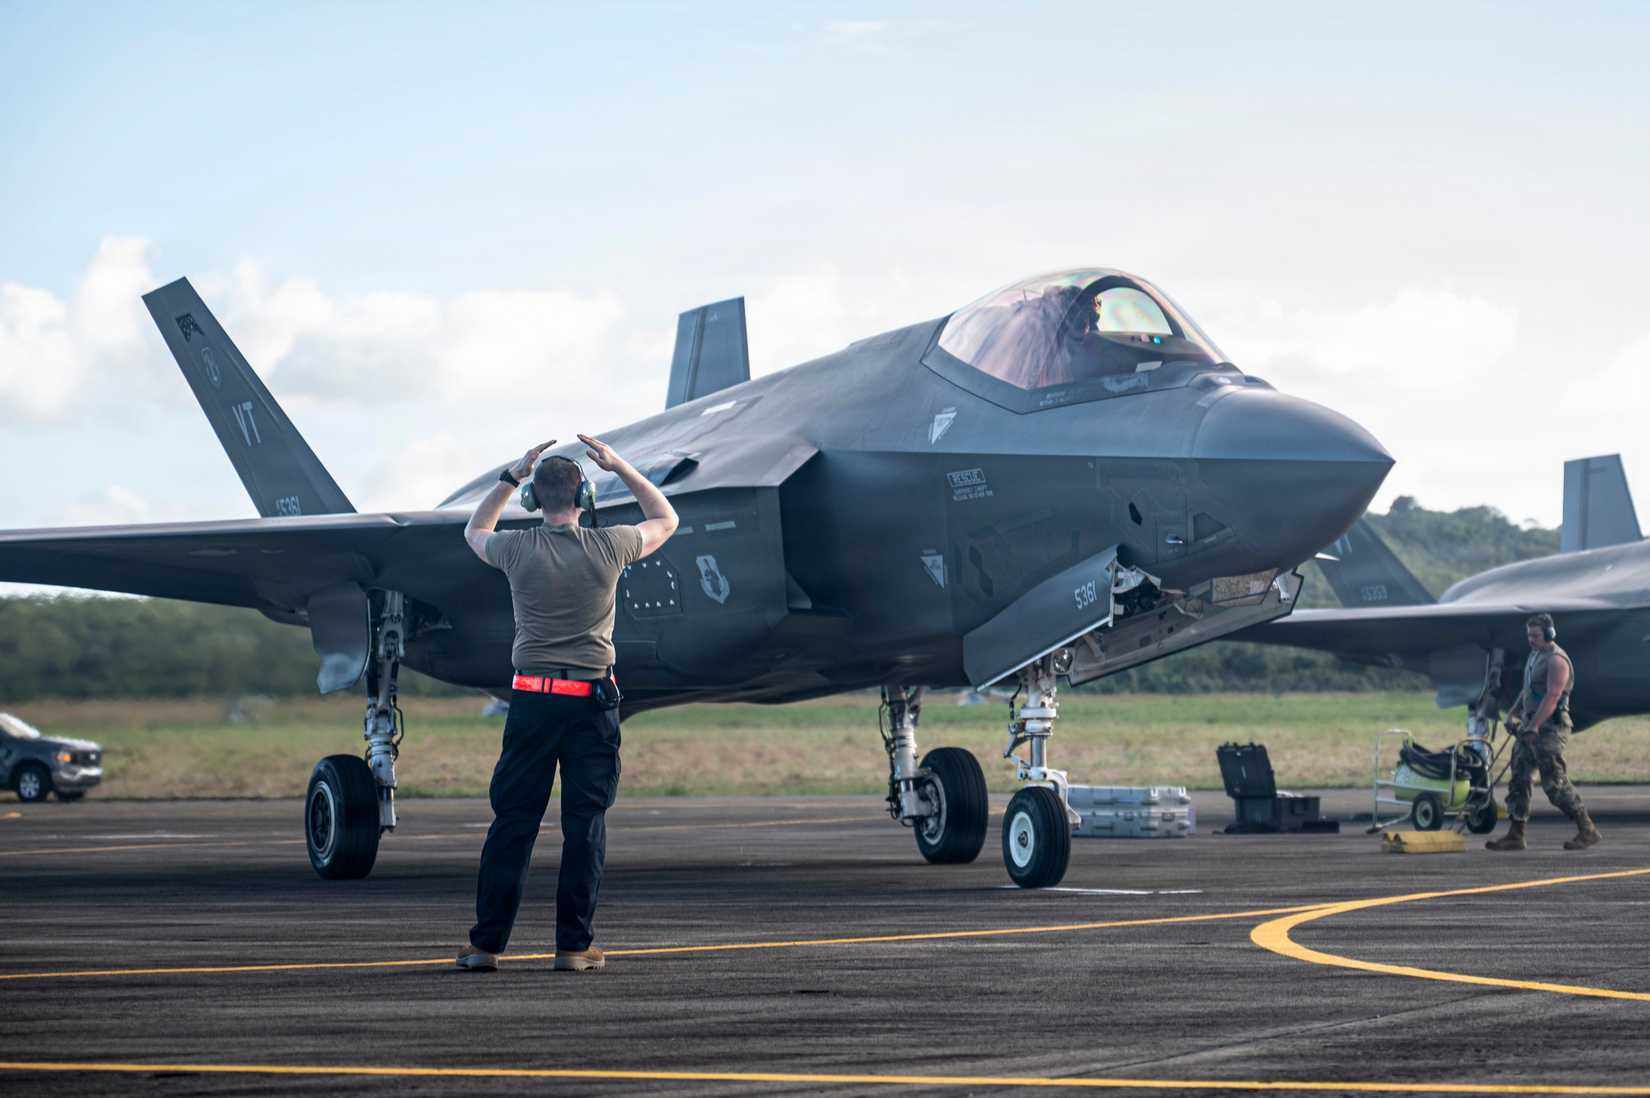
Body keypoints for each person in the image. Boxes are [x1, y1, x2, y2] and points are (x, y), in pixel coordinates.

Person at [456, 434, 679, 971]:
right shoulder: (611, 545)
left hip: (531, 702)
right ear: (585, 501)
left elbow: (475, 530)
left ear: (535, 500)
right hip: (591, 704)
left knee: (513, 822)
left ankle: (486, 947)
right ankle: (574, 948)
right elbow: (665, 518)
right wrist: (619, 464)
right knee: (585, 825)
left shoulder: (516, 549)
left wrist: (513, 476)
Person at [1485, 613, 1601, 852]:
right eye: (1529, 635)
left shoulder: (1557, 661)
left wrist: (1534, 726)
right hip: (1529, 728)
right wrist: (1514, 713)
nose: (1531, 639)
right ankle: (1516, 834)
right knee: (1519, 779)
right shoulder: (1535, 655)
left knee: (1554, 785)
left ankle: (1587, 829)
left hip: (1549, 730)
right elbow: (1527, 690)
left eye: (1536, 635)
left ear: (1549, 634)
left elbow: (1552, 696)